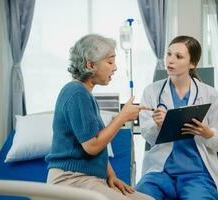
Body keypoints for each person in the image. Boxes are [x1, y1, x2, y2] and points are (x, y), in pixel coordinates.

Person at [45, 34, 153, 200]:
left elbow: (96, 144)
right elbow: (92, 146)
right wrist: (122, 117)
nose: (115, 67)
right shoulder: (76, 93)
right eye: (110, 62)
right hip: (70, 180)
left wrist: (111, 175)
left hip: (89, 179)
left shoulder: (85, 94)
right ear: (90, 65)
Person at [135, 35, 218, 200]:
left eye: (178, 56)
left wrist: (207, 133)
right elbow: (147, 135)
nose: (170, 60)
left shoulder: (209, 94)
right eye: (169, 54)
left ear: (192, 64)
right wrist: (157, 126)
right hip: (160, 172)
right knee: (140, 196)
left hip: (197, 174)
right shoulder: (151, 92)